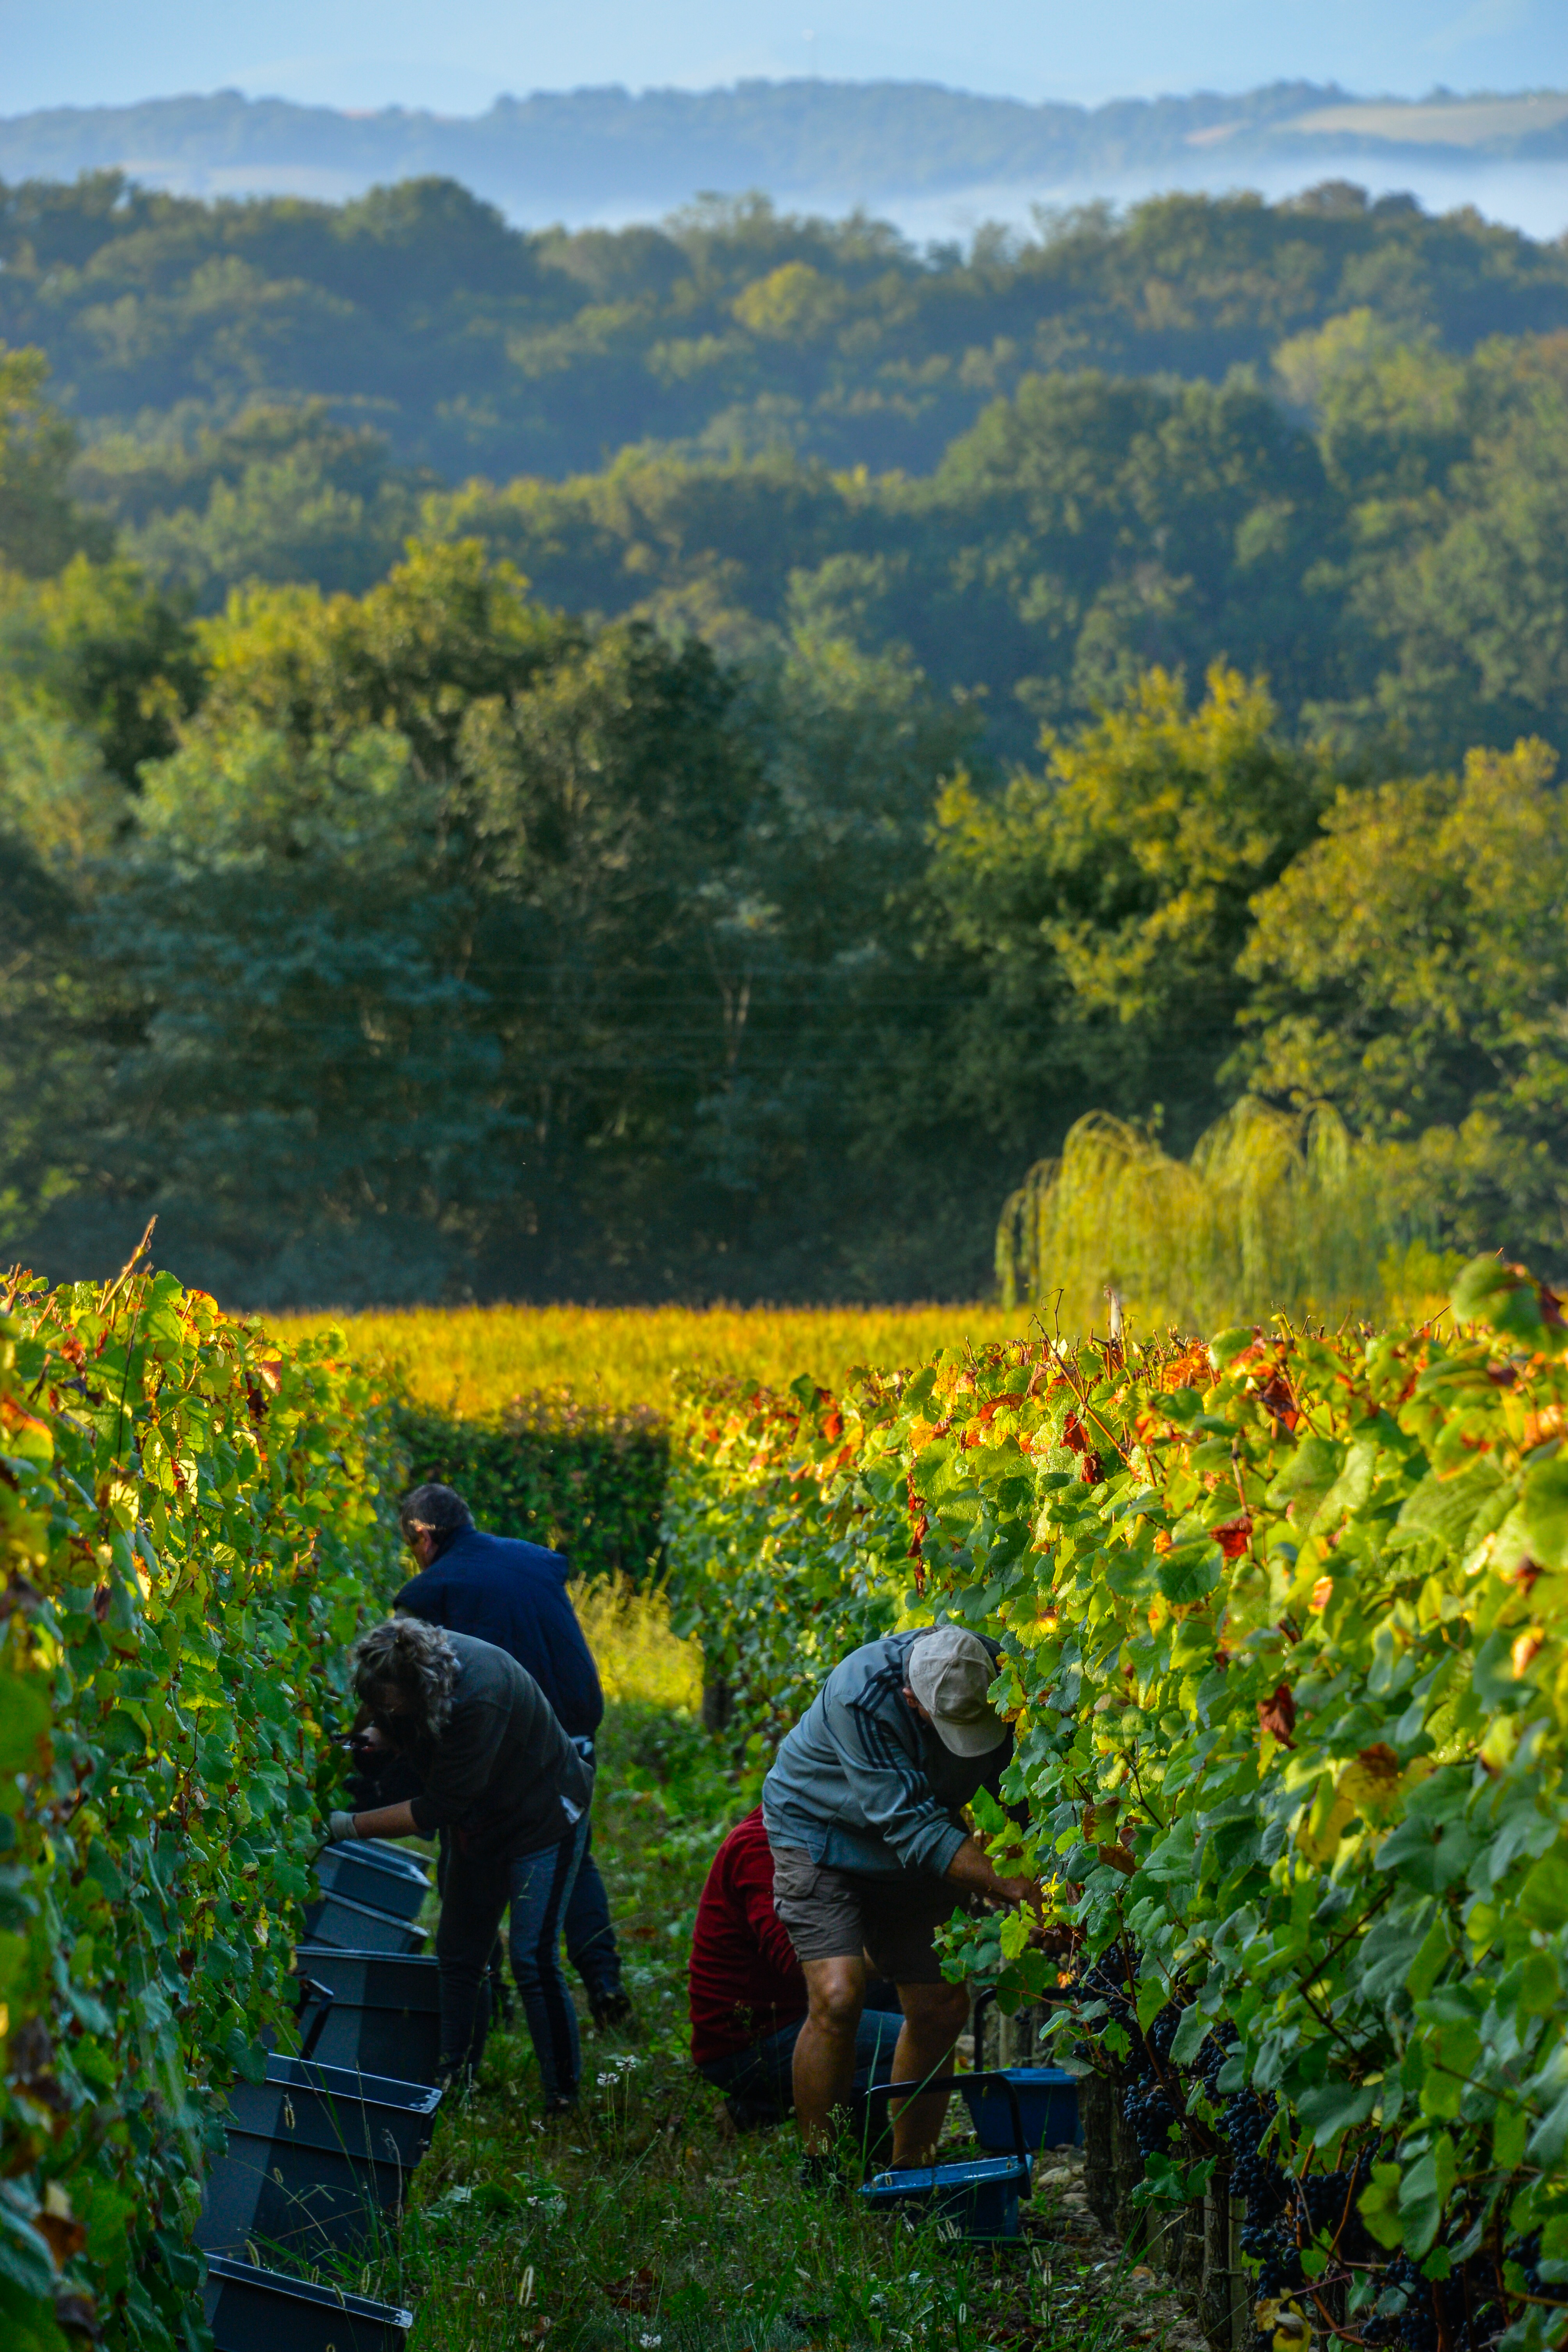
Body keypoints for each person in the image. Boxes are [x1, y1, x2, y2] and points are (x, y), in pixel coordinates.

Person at [761, 1623, 1040, 2171]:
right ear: (913, 1700)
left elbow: (1026, 1791)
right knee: (839, 1996)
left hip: (923, 1828)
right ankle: (823, 2168)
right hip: (821, 1832)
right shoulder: (859, 1694)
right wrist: (1010, 1886)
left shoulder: (990, 1671)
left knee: (940, 2005)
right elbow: (914, 1831)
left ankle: (912, 2171)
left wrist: (1056, 1871)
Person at [391, 1481, 631, 2030]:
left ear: (424, 1537)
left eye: (412, 1545)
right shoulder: (532, 1561)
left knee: (468, 1854)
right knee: (571, 1854)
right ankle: (605, 1982)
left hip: (512, 1745)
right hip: (575, 1730)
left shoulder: (430, 1593)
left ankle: (485, 1992)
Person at [330, 1616, 593, 2112]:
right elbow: (399, 1719)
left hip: (544, 1816)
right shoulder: (401, 1655)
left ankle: (563, 2099)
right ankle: (455, 2080)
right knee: (458, 1955)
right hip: (482, 1823)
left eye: (389, 1704)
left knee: (533, 1960)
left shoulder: (480, 1695)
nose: (382, 1710)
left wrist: (348, 1825)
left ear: (417, 1692)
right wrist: (379, 1732)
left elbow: (438, 1809)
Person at [688, 1805, 903, 2135]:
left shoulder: (818, 1825)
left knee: (902, 1989)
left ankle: (855, 2124)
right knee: (910, 2037)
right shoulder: (763, 1845)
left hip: (789, 2006)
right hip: (749, 2043)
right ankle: (790, 2113)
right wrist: (925, 1956)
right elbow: (800, 1959)